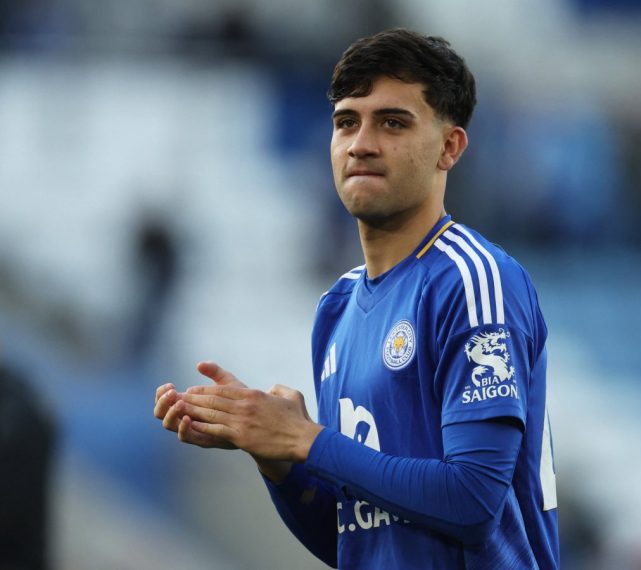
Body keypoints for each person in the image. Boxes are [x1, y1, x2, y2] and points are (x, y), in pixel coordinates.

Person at [154, 28, 559, 569]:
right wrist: (275, 456)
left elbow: (472, 501)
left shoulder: (471, 280)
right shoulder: (337, 308)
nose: (361, 143)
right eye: (347, 122)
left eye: (392, 122)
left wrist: (306, 440)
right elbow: (359, 538)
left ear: (449, 147)